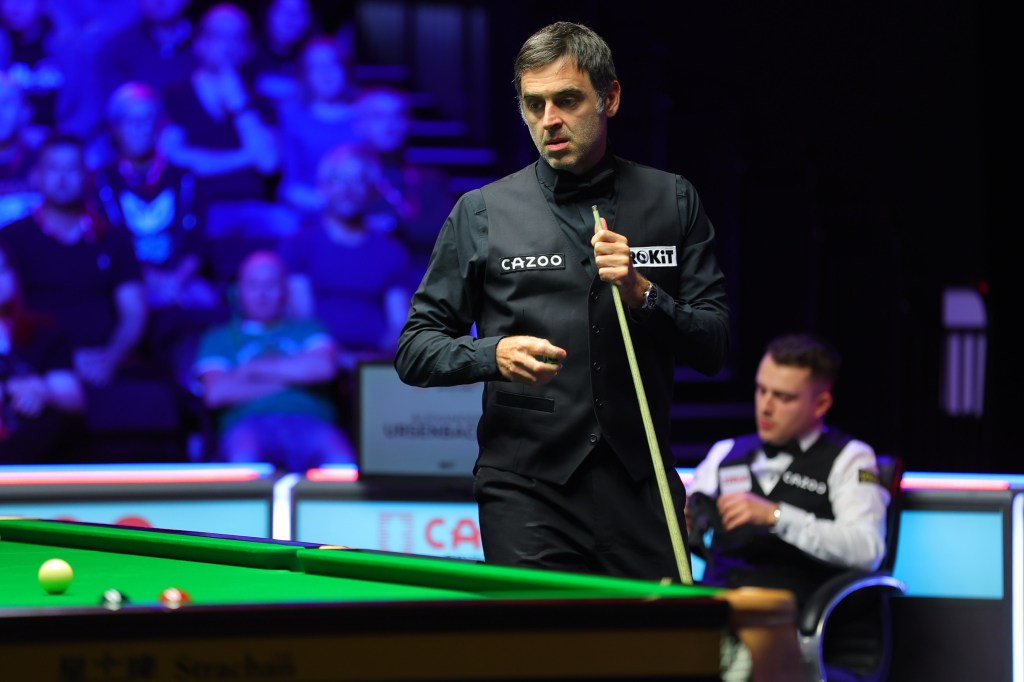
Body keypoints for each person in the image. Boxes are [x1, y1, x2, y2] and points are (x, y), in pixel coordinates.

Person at [394, 21, 730, 582]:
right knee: (544, 635)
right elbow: (414, 349)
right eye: (534, 104)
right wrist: (492, 354)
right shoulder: (481, 212)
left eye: (567, 100)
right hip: (527, 489)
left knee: (659, 634)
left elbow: (714, 345)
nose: (548, 119)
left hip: (640, 484)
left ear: (610, 98)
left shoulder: (672, 200)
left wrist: (643, 294)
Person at [684, 333, 889, 680]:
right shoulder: (724, 452)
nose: (765, 407)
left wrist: (775, 515)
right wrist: (684, 522)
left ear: (821, 404)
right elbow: (691, 520)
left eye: (783, 397)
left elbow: (867, 549)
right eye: (761, 390)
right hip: (716, 615)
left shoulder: (850, 458)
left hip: (788, 627)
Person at [93, 81, 228, 390]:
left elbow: (198, 243)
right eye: (130, 121)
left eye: (147, 120)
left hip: (181, 279)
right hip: (128, 281)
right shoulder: (101, 181)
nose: (140, 129)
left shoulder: (185, 179)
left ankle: (202, 387)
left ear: (159, 125)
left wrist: (176, 280)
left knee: (206, 305)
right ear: (115, 128)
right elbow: (105, 244)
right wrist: (150, 280)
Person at [193, 249, 355, 472]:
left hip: (311, 422)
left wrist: (253, 370)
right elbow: (217, 392)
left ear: (285, 290)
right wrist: (298, 380)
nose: (262, 294)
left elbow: (324, 368)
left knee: (342, 462)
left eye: (270, 285)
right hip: (247, 425)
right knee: (244, 460)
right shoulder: (218, 338)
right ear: (238, 290)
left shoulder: (308, 329)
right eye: (253, 285)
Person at [280, 143, 411, 372]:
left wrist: (375, 362)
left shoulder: (391, 252)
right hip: (316, 363)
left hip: (377, 364)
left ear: (372, 191)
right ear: (323, 187)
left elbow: (399, 324)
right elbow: (302, 318)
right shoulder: (299, 245)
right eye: (338, 179)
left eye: (358, 180)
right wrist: (337, 359)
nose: (347, 189)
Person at [0, 241, 86, 462]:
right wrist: (7, 388)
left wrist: (42, 389)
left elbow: (73, 396)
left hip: (37, 451)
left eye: (2, 269)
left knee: (51, 421)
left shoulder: (43, 332)